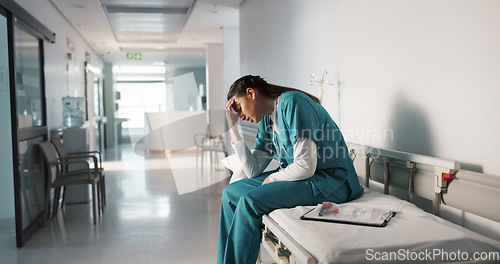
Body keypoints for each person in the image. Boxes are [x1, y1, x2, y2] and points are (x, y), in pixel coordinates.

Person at [217, 75, 363, 264]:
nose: (239, 115)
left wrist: (273, 178)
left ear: (251, 93)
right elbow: (253, 170)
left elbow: (305, 166)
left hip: (331, 180)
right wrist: (233, 128)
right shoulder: (266, 121)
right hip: (301, 177)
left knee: (249, 202)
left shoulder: (293, 103)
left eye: (238, 108)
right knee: (230, 193)